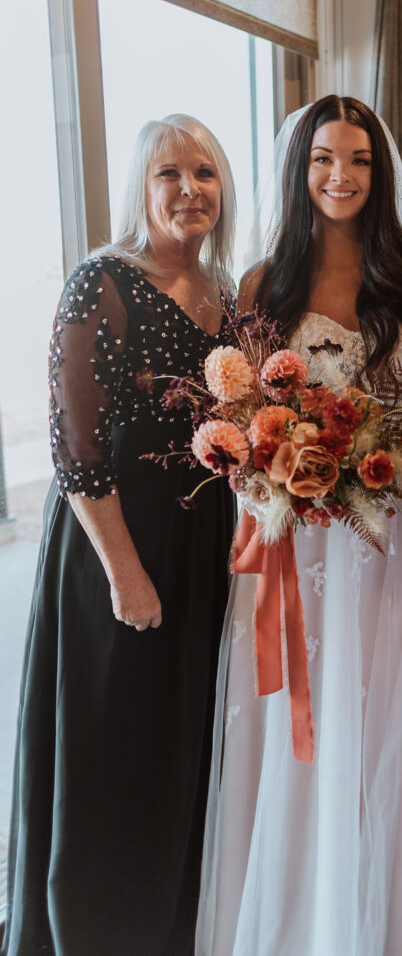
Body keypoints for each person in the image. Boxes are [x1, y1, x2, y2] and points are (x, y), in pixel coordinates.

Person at [195, 95, 402, 956]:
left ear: (380, 175)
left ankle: (376, 921)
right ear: (299, 170)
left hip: (387, 534)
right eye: (323, 159)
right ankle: (302, 920)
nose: (341, 176)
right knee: (301, 727)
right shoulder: (267, 281)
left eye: (360, 160)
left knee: (381, 716)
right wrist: (274, 474)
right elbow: (242, 412)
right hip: (299, 542)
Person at [2, 114, 238, 956]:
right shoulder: (100, 280)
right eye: (169, 174)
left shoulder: (230, 295)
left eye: (204, 173)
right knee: (113, 746)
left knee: (180, 740)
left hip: (202, 539)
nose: (188, 190)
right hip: (116, 542)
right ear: (142, 187)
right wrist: (126, 574)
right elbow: (74, 446)